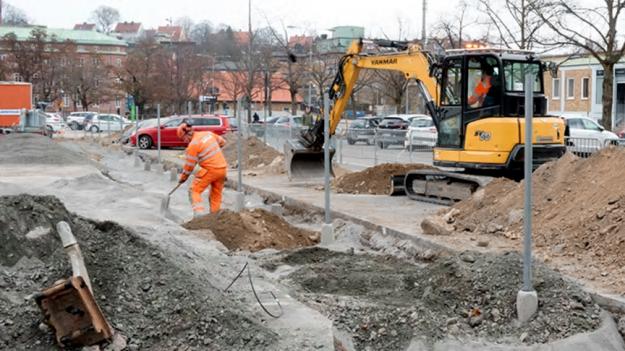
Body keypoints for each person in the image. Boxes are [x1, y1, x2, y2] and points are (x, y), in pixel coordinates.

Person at [177, 121, 227, 216]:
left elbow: (189, 167)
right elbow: (222, 142)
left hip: (210, 170)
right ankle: (215, 217)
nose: (184, 142)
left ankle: (199, 216)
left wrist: (183, 178)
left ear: (186, 135)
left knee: (194, 191)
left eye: (183, 139)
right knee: (215, 194)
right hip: (222, 169)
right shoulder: (208, 134)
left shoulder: (193, 145)